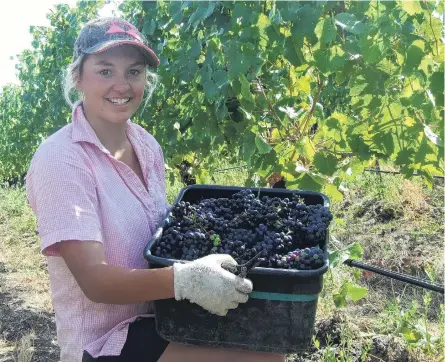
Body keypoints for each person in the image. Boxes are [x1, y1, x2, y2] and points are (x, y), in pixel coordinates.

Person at [25, 17, 285, 362]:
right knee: (259, 359)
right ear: (78, 77)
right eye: (105, 71)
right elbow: (96, 282)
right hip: (104, 343)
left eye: (133, 72)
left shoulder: (146, 145)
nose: (122, 85)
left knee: (270, 346)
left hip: (162, 318)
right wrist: (186, 280)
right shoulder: (61, 159)